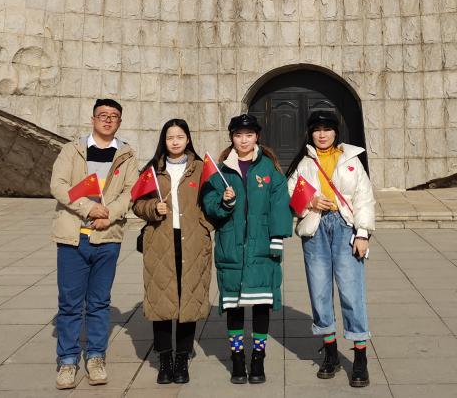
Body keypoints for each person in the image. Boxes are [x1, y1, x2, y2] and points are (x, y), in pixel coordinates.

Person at [49, 98, 139, 390]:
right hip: (74, 237)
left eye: (114, 116)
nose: (108, 120)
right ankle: (67, 361)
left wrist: (109, 215)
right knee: (70, 304)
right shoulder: (72, 149)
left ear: (120, 122)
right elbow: (58, 185)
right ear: (93, 119)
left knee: (99, 302)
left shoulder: (125, 155)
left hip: (106, 237)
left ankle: (96, 357)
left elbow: (130, 191)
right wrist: (89, 209)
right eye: (103, 115)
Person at [285, 111, 376, 388]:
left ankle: (360, 356)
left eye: (327, 129)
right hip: (315, 229)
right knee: (320, 290)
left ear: (336, 133)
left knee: (351, 290)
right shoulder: (304, 162)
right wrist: (310, 202)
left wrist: (363, 233)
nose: (322, 135)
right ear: (310, 133)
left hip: (345, 228)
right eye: (317, 130)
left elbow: (364, 197)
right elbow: (290, 194)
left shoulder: (350, 160)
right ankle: (330, 352)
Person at [202, 113, 293, 385]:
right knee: (234, 305)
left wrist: (276, 240)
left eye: (249, 135)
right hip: (231, 246)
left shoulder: (269, 170)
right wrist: (225, 201)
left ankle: (258, 358)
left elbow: (280, 206)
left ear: (257, 137)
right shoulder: (220, 171)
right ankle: (238, 357)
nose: (244, 140)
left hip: (262, 247)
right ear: (231, 137)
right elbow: (209, 207)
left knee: (262, 303)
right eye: (239, 135)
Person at [131, 119, 214, 385]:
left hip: (193, 241)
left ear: (188, 139)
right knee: (162, 301)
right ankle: (164, 358)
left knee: (188, 300)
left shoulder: (201, 169)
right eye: (170, 137)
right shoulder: (153, 170)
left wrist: (205, 225)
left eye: (180, 136)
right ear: (163, 141)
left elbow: (214, 203)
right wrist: (153, 208)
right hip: (160, 242)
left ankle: (182, 358)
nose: (175, 141)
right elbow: (137, 204)